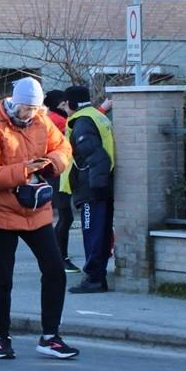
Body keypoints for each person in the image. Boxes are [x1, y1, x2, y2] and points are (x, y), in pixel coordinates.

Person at [0, 76, 80, 360]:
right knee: (2, 279)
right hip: (0, 212)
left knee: (55, 270)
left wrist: (51, 164)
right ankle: (2, 338)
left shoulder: (43, 122)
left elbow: (63, 148)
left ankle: (50, 336)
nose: (30, 113)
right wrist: (24, 170)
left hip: (35, 210)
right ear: (15, 103)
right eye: (26, 108)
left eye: (35, 108)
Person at [65, 85, 116, 293]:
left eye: (65, 104)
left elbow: (95, 155)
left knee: (92, 232)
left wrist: (95, 187)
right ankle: (98, 276)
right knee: (101, 232)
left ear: (71, 103)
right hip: (103, 184)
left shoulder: (82, 122)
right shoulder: (96, 115)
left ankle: (94, 278)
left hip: (92, 187)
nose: (65, 109)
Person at [43, 89, 77, 272]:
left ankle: (59, 257)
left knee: (64, 216)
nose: (67, 105)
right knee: (65, 217)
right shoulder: (57, 120)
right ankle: (60, 258)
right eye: (64, 103)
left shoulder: (51, 118)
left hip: (56, 173)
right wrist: (102, 109)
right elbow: (75, 125)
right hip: (58, 174)